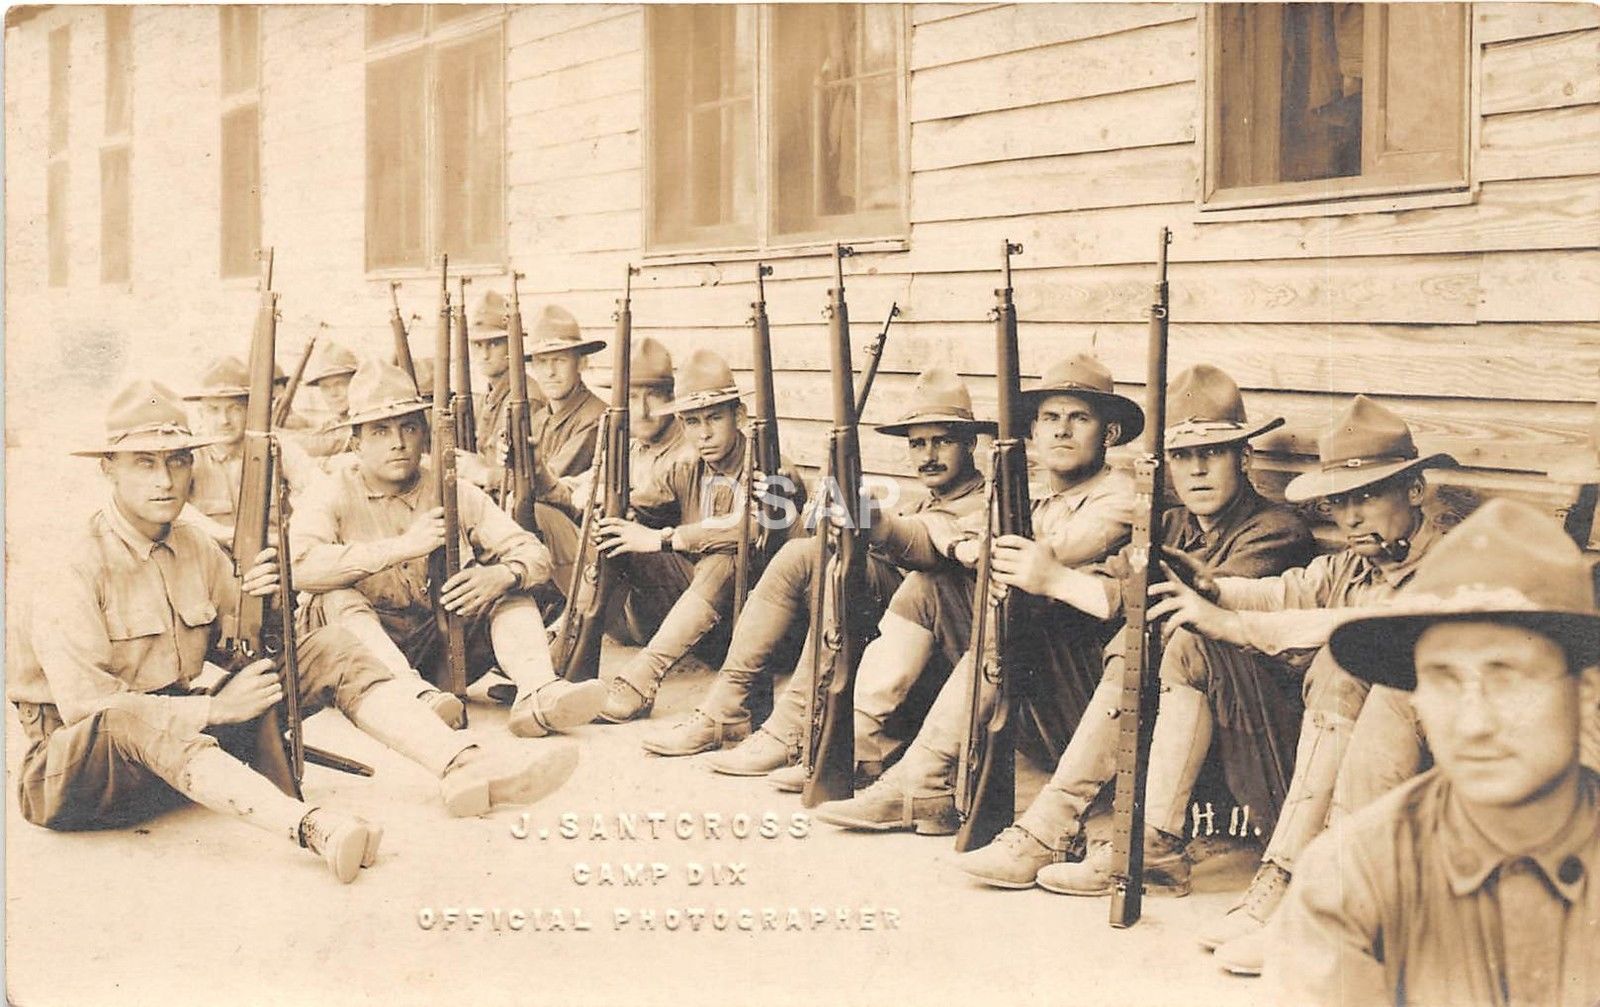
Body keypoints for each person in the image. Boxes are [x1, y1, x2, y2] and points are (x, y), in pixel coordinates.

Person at [7, 380, 581, 885]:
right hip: (79, 776)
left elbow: (247, 648)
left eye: (178, 461)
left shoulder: (194, 546)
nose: (166, 479)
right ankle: (314, 830)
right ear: (107, 468)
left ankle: (465, 765)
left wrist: (270, 601)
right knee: (132, 714)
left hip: (182, 761)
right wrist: (215, 711)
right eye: (144, 463)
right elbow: (89, 709)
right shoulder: (72, 564)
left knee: (329, 647)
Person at [1109, 395, 1457, 975]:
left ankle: (1297, 890)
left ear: (1415, 491)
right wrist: (1214, 591)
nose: (1350, 517)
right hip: (1351, 788)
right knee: (1195, 644)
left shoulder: (1451, 561)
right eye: (1340, 501)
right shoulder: (1354, 564)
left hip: (1433, 803)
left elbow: (1364, 627)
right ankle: (1176, 850)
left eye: (1369, 495)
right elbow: (1289, 590)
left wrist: (1236, 623)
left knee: (1348, 664)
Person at [954, 365, 1316, 889]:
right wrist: (1050, 581)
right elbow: (1108, 582)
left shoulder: (1274, 531)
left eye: (1211, 454)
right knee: (1037, 618)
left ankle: (1054, 827)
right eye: (1182, 456)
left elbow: (1191, 608)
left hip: (1245, 741)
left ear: (1244, 458)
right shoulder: (1168, 524)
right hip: (1171, 730)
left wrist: (1055, 576)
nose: (1196, 471)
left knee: (1155, 634)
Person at [1269, 498, 1600, 1006]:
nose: (1473, 722)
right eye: (1443, 683)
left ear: (1584, 693)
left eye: (1507, 680)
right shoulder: (1353, 877)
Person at [811, 354, 1139, 834]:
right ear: (1033, 433)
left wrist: (967, 545)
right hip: (1034, 686)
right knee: (930, 587)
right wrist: (876, 522)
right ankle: (862, 741)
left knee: (1009, 608)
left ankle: (920, 781)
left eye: (1079, 418)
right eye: (1050, 419)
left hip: (1088, 698)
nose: (1062, 431)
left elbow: (1048, 554)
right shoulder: (1029, 497)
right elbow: (945, 537)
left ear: (1108, 435)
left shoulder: (1120, 496)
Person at [652, 366, 994, 762]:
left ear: (970, 444)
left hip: (934, 685)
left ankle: (790, 729)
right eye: (918, 444)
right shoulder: (921, 503)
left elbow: (921, 543)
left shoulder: (984, 506)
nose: (929, 456)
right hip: (882, 668)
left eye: (943, 442)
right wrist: (792, 511)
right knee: (806, 554)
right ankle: (725, 708)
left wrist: (872, 521)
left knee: (833, 565)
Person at [290, 360, 606, 735]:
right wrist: (402, 547)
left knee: (505, 590)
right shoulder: (330, 492)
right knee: (335, 596)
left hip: (438, 644)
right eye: (380, 431)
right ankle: (412, 697)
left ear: (424, 434)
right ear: (356, 444)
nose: (398, 442)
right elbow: (300, 568)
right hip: (357, 658)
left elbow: (531, 552)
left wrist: (503, 575)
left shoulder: (452, 488)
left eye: (409, 427)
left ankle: (538, 692)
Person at [588, 348, 804, 737]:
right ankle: (567, 656)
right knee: (619, 538)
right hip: (709, 628)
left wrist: (666, 538)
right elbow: (637, 507)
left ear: (738, 416)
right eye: (691, 421)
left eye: (714, 418)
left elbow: (748, 530)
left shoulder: (773, 469)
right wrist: (618, 521)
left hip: (773, 639)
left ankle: (643, 676)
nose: (702, 433)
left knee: (725, 558)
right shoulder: (686, 467)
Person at [182, 354, 315, 546]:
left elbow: (317, 487)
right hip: (213, 558)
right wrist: (219, 533)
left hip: (272, 552)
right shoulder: (190, 456)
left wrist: (292, 533)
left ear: (250, 410)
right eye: (213, 409)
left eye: (235, 408)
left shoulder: (275, 446)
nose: (224, 420)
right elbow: (174, 506)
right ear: (201, 414)